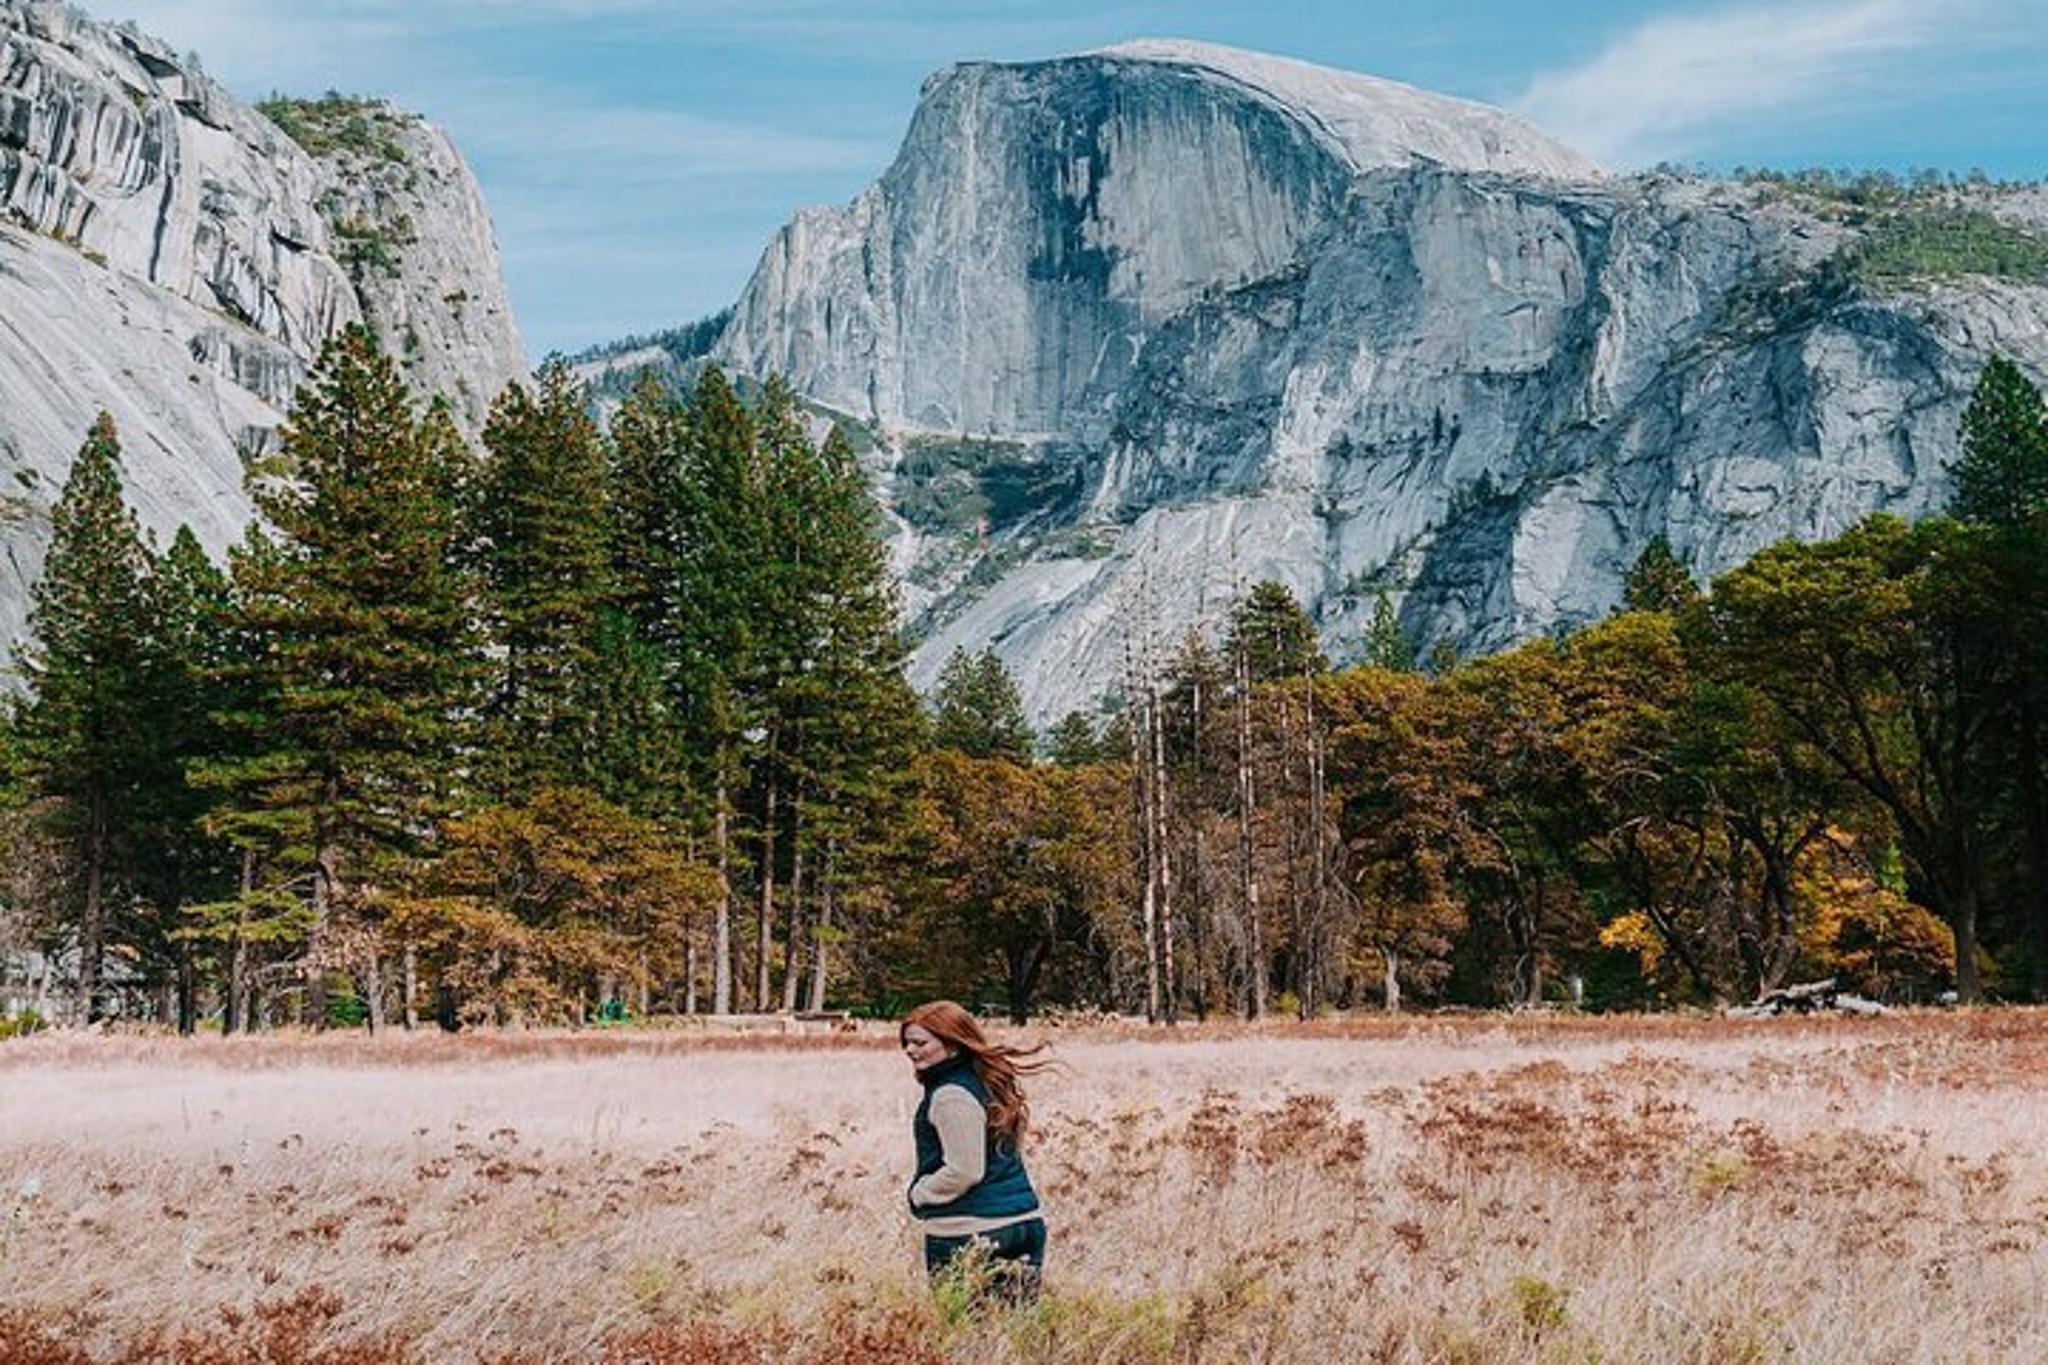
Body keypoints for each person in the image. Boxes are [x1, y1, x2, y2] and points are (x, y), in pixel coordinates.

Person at [900, 1000, 1049, 1301]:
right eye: (906, 1043)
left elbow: (965, 1169)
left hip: (970, 1231)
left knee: (964, 1339)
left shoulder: (951, 1095)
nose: (910, 1050)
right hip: (1023, 1222)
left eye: (920, 1042)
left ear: (953, 1045)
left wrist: (920, 1193)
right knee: (1013, 1339)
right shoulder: (988, 1082)